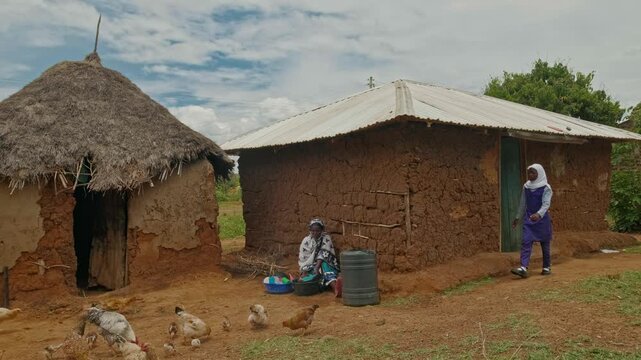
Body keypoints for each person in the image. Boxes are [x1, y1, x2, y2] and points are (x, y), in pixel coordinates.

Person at [511, 164, 553, 278]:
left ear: (539, 174)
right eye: (529, 172)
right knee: (526, 241)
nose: (530, 175)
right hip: (529, 218)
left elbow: (546, 204)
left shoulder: (546, 188)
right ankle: (523, 267)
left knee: (545, 243)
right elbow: (522, 203)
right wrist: (517, 217)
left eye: (533, 173)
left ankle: (546, 267)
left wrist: (539, 214)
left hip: (542, 219)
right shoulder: (526, 187)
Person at [298, 218, 342, 297]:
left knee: (324, 265)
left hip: (327, 263)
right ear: (310, 230)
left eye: (317, 231)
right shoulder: (306, 241)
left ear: (322, 230)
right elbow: (303, 259)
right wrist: (304, 271)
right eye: (313, 231)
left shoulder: (326, 238)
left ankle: (335, 288)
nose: (315, 233)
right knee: (307, 277)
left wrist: (317, 267)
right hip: (310, 266)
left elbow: (324, 253)